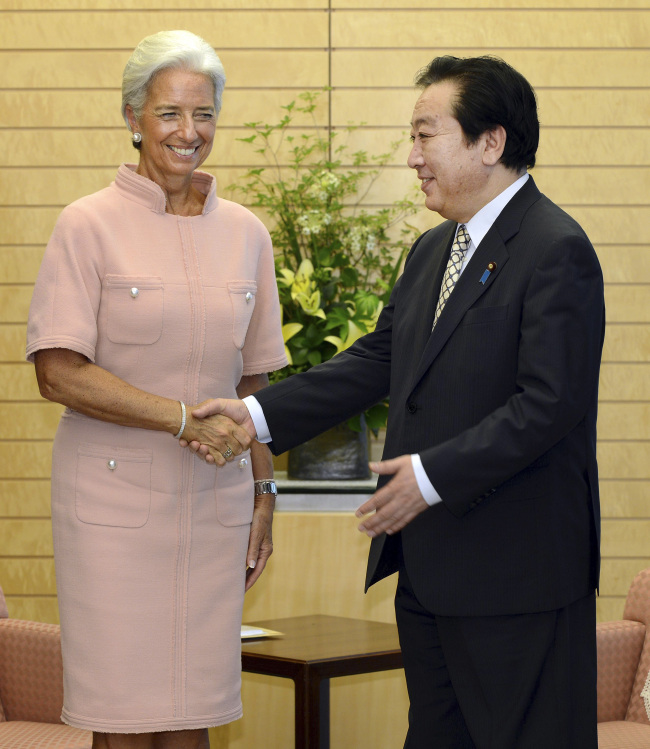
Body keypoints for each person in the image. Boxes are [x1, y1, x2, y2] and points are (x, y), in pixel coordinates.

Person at [187, 56, 606, 748]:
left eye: (425, 135)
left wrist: (430, 476)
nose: (411, 157)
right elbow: (379, 360)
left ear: (490, 142)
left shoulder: (555, 249)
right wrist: (255, 417)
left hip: (518, 583)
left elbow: (548, 404)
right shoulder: (432, 251)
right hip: (434, 577)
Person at [26, 30, 285, 749]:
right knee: (124, 716)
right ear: (133, 116)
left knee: (193, 709)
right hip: (111, 513)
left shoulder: (247, 234)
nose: (188, 132)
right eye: (170, 113)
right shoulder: (86, 225)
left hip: (216, 509)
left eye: (204, 115)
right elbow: (58, 371)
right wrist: (181, 420)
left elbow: (254, 380)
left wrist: (266, 495)